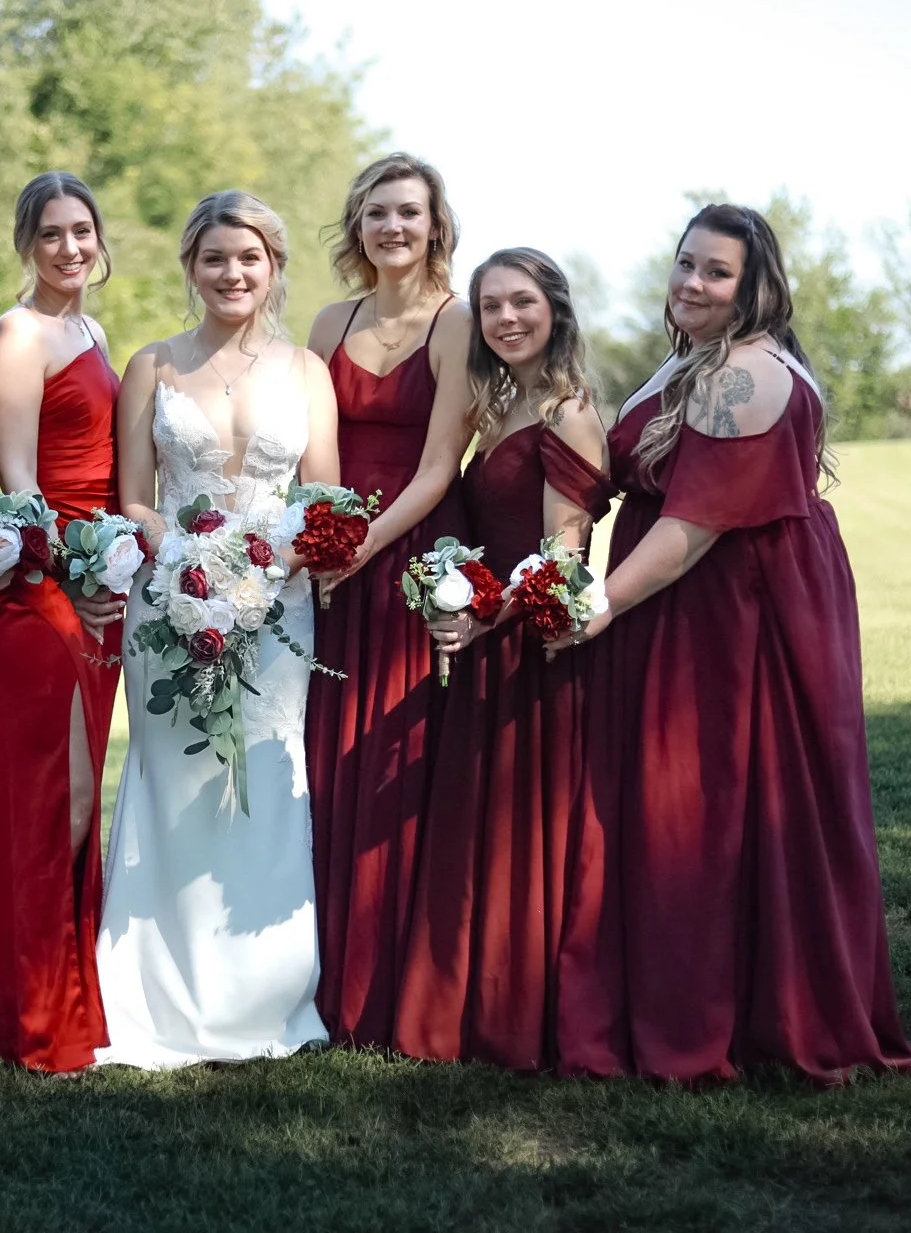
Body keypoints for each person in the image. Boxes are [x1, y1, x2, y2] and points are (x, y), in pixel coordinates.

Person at [551, 204, 911, 1084]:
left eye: (716, 272)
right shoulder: (687, 365)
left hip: (737, 611)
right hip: (683, 599)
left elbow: (694, 525)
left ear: (756, 286)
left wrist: (598, 606)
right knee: (683, 799)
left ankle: (738, 1011)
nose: (692, 282)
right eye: (685, 264)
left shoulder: (744, 375)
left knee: (719, 798)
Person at [94, 191, 341, 1068]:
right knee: (175, 783)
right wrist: (179, 554)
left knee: (269, 783)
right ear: (190, 266)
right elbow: (130, 495)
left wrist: (267, 565)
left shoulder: (308, 369)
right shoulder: (151, 365)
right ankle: (163, 993)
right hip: (171, 600)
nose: (231, 274)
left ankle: (265, 997)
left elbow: (321, 500)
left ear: (273, 267)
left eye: (249, 258)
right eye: (214, 258)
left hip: (278, 607)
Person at [394, 249, 611, 1069]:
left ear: (555, 307)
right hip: (488, 642)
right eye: (490, 307)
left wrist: (488, 618)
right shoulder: (503, 407)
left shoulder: (568, 411)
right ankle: (472, 1005)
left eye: (522, 302)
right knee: (479, 828)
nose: (507, 319)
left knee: (530, 830)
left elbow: (564, 550)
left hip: (537, 650)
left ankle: (524, 1015)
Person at [303, 153, 475, 1047]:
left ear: (435, 223)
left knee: (395, 752)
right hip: (332, 558)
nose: (393, 228)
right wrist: (318, 538)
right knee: (328, 756)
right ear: (357, 226)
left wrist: (363, 545)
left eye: (409, 212)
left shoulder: (457, 322)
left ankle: (392, 982)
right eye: (377, 213)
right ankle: (323, 973)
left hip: (411, 551)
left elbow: (441, 464)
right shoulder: (330, 321)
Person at [0, 172, 124, 1074]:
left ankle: (75, 1002)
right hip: (42, 591)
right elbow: (18, 485)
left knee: (79, 803)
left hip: (98, 582)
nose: (71, 248)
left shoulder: (92, 331)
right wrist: (78, 566)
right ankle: (33, 1020)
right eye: (52, 234)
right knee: (48, 805)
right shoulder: (17, 335)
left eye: (82, 232)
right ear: (26, 245)